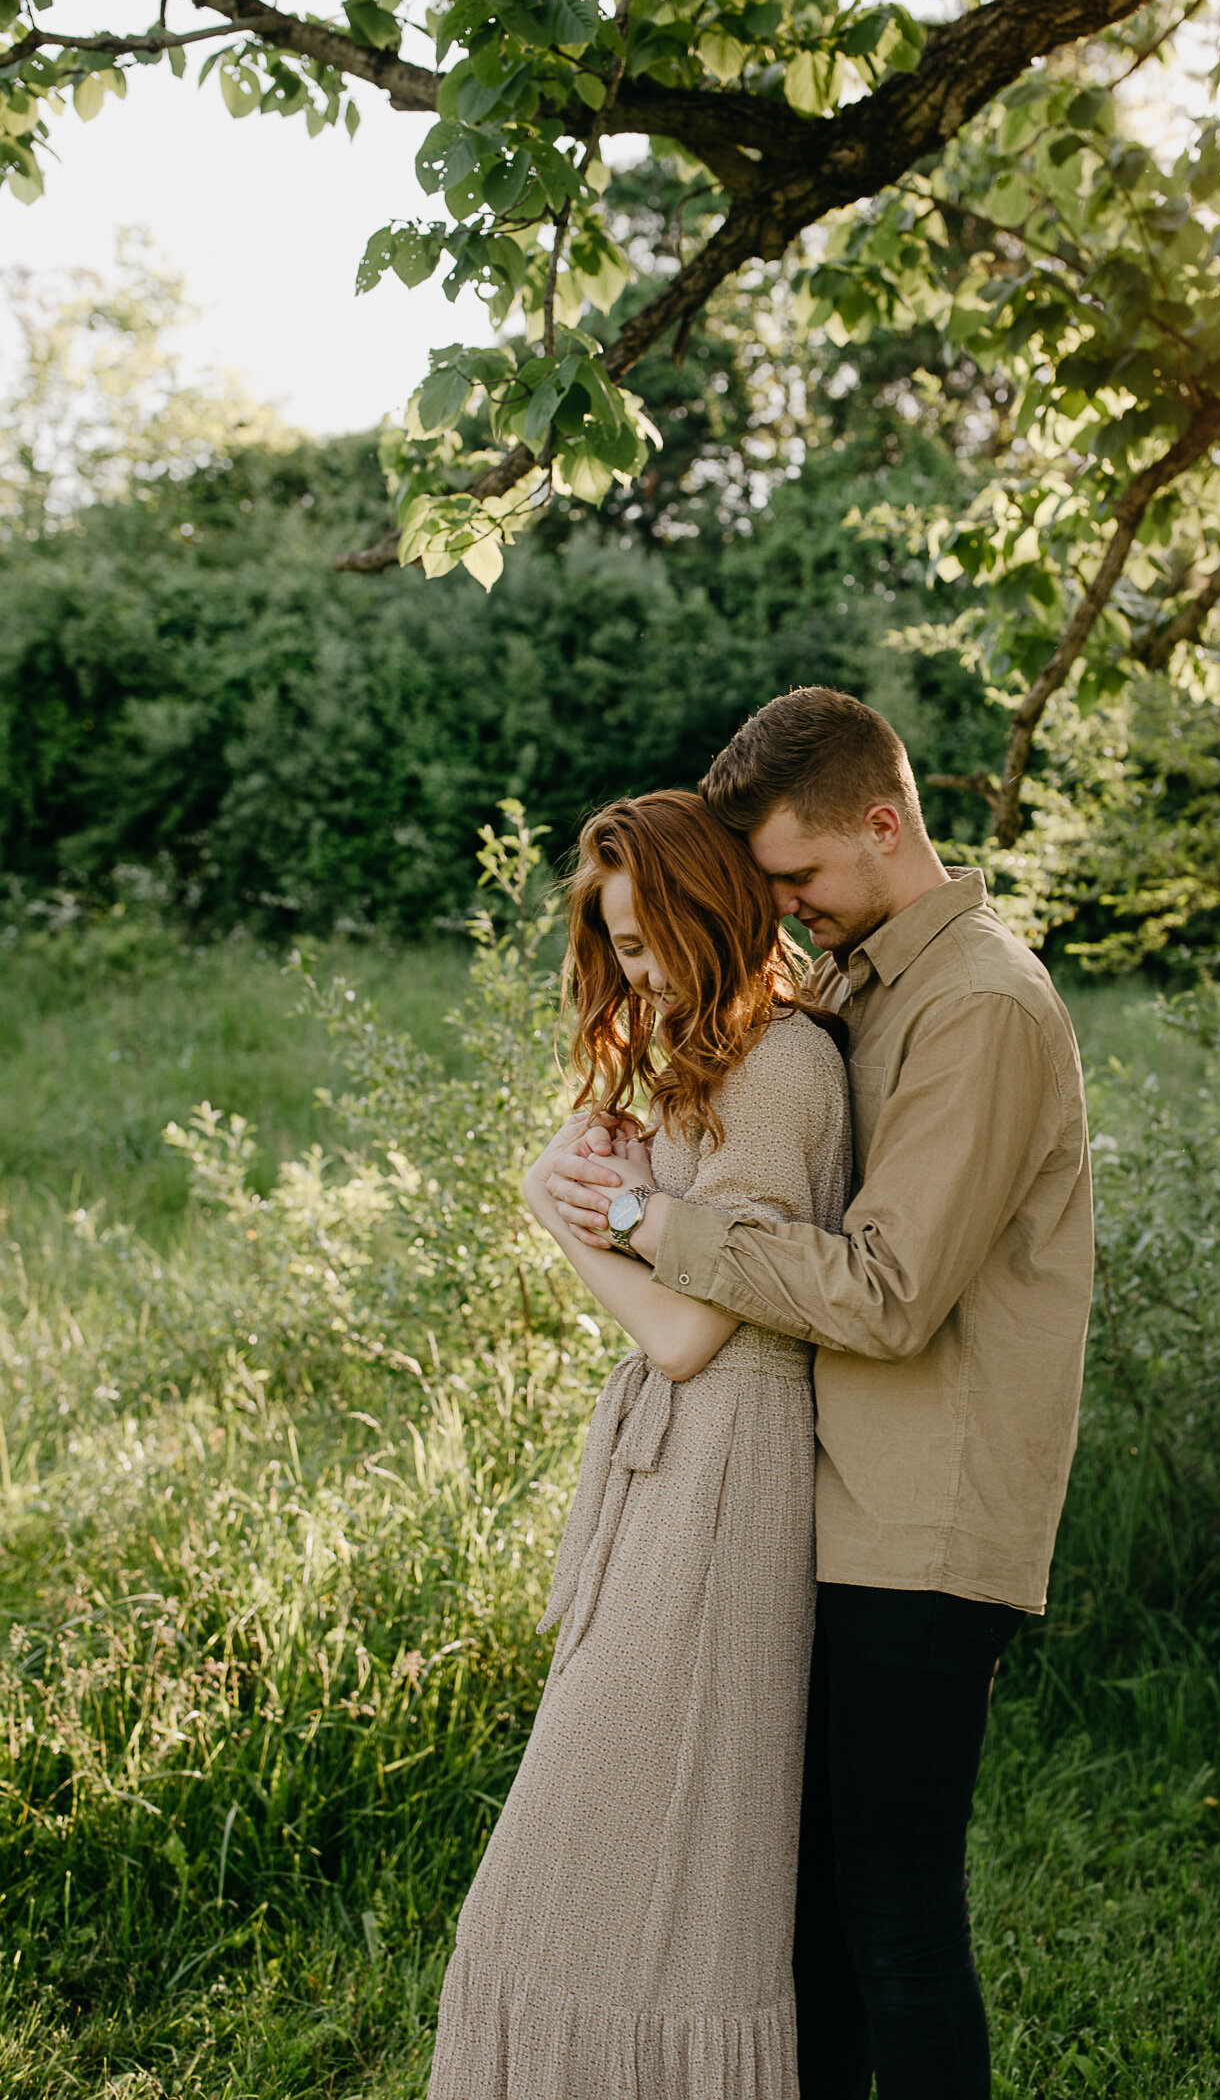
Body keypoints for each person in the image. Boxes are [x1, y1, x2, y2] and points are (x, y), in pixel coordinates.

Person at [546, 688, 1094, 2100]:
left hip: (928, 1516)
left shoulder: (977, 1000)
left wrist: (652, 1227)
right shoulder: (873, 983)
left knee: (894, 1915)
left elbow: (890, 1292)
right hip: (838, 1503)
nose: (782, 909)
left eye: (795, 876)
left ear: (883, 818)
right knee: (815, 1919)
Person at [427, 788, 850, 2100]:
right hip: (679, 1471)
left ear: (709, 909)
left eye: (652, 934)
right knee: (563, 1875)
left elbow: (685, 1335)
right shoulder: (712, 1062)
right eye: (617, 943)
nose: (638, 968)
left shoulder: (783, 1067)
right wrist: (604, 1171)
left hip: (730, 1478)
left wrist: (567, 1215)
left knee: (661, 1879)